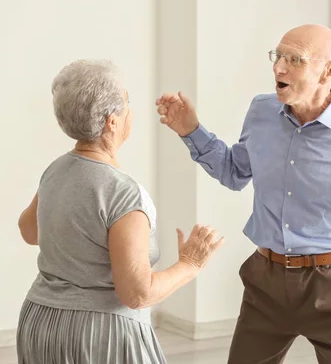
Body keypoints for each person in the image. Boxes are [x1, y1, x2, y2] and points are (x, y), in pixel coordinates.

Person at [156, 24, 331, 364]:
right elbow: (234, 172)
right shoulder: (261, 112)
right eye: (278, 56)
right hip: (266, 282)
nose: (278, 68)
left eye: (294, 59)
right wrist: (191, 131)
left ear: (328, 71)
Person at [17, 59, 224, 364]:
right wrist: (191, 263)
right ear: (112, 121)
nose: (132, 113)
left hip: (41, 322)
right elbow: (137, 294)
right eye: (128, 103)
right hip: (99, 334)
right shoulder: (124, 194)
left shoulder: (56, 170)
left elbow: (29, 231)